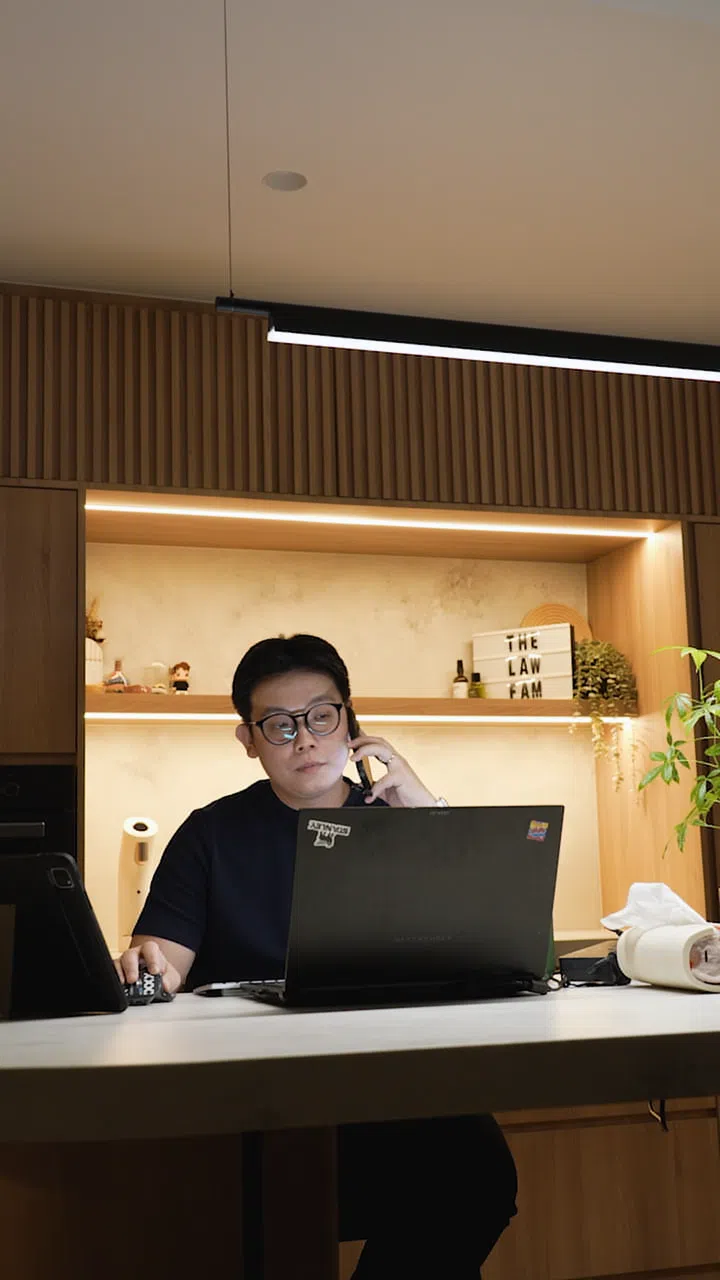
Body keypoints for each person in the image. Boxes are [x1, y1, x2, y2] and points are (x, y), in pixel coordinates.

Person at [117, 634, 517, 1278]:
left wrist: (426, 811)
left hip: (394, 1084)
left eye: (321, 717)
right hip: (258, 1095)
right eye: (279, 725)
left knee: (477, 1176)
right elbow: (163, 960)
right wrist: (150, 969)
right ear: (248, 739)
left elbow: (497, 940)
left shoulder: (403, 823)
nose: (305, 739)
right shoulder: (210, 834)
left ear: (350, 720)